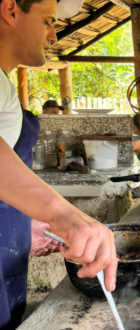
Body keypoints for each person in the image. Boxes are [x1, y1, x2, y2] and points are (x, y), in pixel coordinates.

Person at [0, 0, 117, 328]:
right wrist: (64, 213)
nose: (53, 36)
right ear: (11, 10)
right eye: (47, 21)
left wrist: (24, 223)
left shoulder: (4, 87)